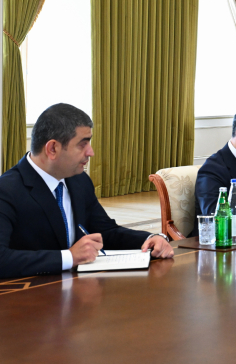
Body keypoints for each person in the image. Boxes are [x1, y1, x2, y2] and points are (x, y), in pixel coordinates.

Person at [0, 103, 174, 278]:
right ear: (52, 148)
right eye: (82, 145)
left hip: (75, 291)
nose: (91, 152)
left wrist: (148, 239)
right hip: (25, 294)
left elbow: (104, 231)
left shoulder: (78, 180)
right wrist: (69, 257)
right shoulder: (6, 190)